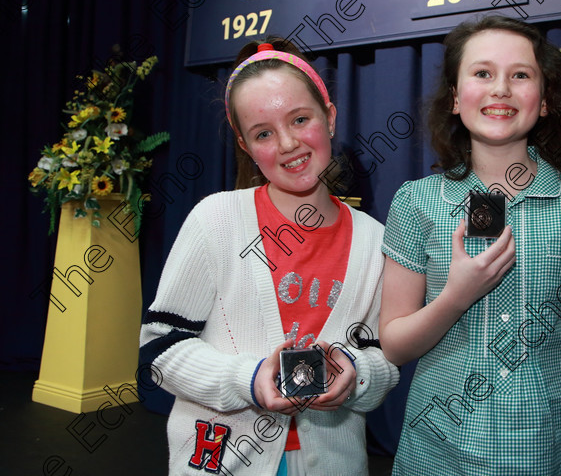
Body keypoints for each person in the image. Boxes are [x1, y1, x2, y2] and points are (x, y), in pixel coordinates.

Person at [379, 15, 561, 475]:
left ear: (546, 100)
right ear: (455, 99)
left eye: (520, 75)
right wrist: (455, 297)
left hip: (554, 450)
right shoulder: (416, 202)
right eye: (482, 73)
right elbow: (393, 345)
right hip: (440, 451)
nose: (501, 89)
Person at [140, 38, 399, 475]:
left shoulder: (375, 242)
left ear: (330, 117)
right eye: (264, 133)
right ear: (244, 144)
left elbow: (384, 361)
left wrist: (356, 373)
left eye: (300, 119)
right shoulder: (216, 220)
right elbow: (160, 350)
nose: (287, 143)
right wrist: (249, 379)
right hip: (222, 459)